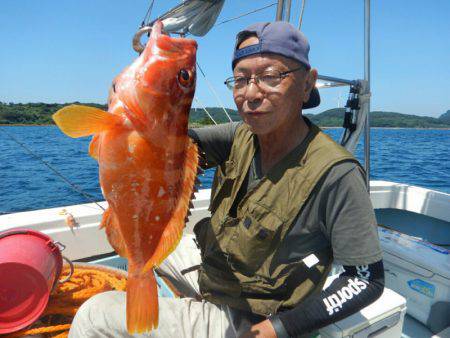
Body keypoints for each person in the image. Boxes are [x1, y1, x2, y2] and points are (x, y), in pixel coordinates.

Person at [69, 21, 384, 338]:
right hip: (221, 274)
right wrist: (133, 103)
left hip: (255, 314)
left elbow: (366, 280)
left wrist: (278, 329)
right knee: (148, 257)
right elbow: (171, 145)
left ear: (307, 84)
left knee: (94, 315)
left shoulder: (337, 173)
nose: (251, 94)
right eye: (241, 79)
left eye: (271, 77)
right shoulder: (242, 135)